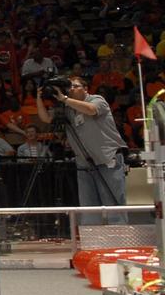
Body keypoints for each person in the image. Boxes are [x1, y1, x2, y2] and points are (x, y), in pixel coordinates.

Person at [36, 76, 127, 224]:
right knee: (88, 207)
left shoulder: (97, 99)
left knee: (113, 206)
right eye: (69, 86)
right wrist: (39, 98)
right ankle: (92, 243)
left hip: (107, 160)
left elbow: (91, 110)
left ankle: (118, 243)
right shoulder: (68, 109)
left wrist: (65, 99)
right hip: (84, 163)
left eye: (75, 86)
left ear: (85, 89)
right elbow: (46, 118)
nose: (71, 89)